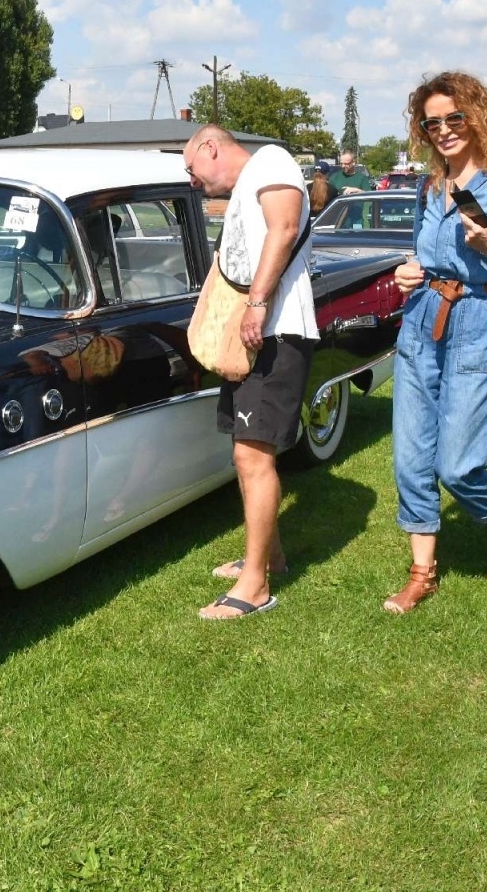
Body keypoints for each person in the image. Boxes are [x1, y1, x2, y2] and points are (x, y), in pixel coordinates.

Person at [385, 71, 487, 614]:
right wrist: (409, 273)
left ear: (476, 117)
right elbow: (421, 251)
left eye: (454, 118)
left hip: (481, 319)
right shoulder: (428, 186)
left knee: (457, 465)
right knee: (411, 453)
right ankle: (422, 571)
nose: (443, 130)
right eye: (432, 122)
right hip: (422, 316)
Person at [184, 124, 316, 619]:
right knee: (246, 454)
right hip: (255, 334)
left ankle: (255, 586)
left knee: (253, 459)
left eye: (190, 167)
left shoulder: (272, 161)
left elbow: (284, 226)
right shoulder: (250, 180)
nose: (192, 180)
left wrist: (257, 304)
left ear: (210, 147)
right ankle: (268, 557)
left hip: (275, 332)